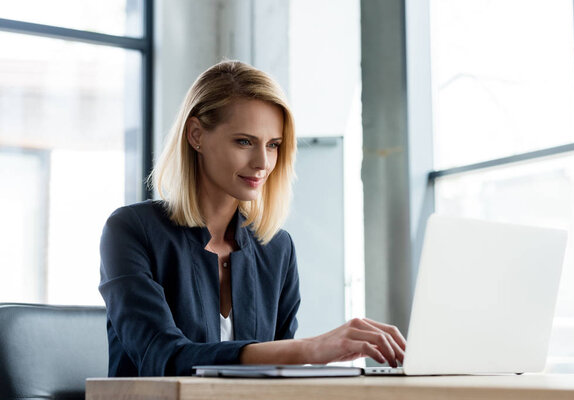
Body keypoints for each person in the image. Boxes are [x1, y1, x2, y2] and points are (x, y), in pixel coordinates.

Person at [99, 60, 406, 376]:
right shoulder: (130, 231)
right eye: (244, 141)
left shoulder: (277, 248)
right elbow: (162, 357)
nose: (262, 162)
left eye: (273, 145)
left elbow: (277, 377)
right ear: (196, 135)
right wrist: (311, 349)